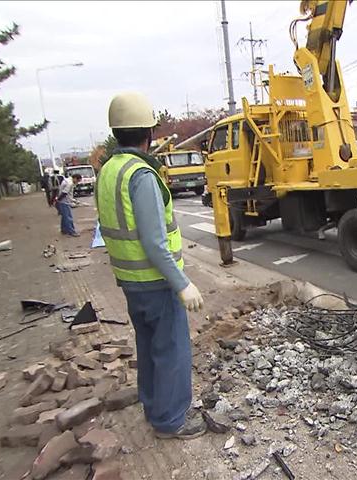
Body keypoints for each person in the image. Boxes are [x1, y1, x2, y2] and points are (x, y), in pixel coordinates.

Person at [97, 92, 206, 439]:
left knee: (148, 346)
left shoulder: (109, 170)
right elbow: (155, 242)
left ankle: (153, 406)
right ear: (148, 133)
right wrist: (182, 283)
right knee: (171, 349)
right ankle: (171, 420)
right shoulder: (141, 176)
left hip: (130, 280)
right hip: (156, 281)